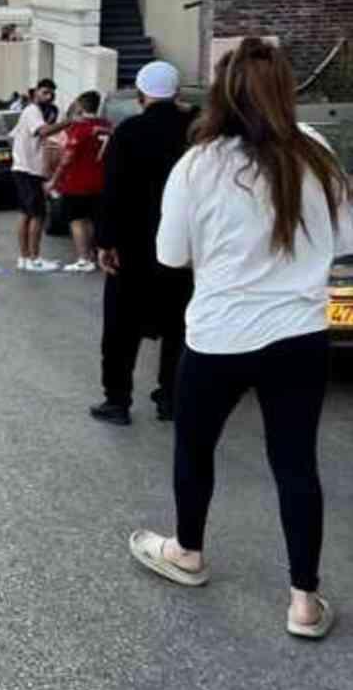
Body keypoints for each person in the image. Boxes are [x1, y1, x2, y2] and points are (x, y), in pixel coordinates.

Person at [130, 38, 353, 639]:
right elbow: (346, 239)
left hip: (218, 336)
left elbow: (168, 254)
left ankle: (188, 552)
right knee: (295, 465)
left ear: (223, 93)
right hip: (300, 336)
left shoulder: (198, 165)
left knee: (195, 450)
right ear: (286, 90)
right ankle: (304, 601)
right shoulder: (319, 153)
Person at [91, 61, 193, 425]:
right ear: (177, 93)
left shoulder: (129, 132)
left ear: (140, 95)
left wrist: (105, 242)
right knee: (179, 326)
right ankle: (172, 397)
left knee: (121, 328)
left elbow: (113, 190)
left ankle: (117, 401)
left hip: (132, 246)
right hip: (184, 247)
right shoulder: (195, 132)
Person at [47, 90, 111, 273]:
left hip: (78, 182)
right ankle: (92, 254)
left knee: (76, 220)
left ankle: (84, 258)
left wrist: (54, 180)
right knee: (91, 219)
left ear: (81, 106)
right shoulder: (106, 125)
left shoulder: (80, 129)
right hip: (101, 181)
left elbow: (67, 158)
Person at [11, 77, 62, 271]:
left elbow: (14, 135)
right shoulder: (32, 111)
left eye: (51, 93)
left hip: (28, 168)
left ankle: (24, 258)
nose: (48, 97)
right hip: (27, 170)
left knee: (26, 214)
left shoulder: (39, 112)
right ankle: (34, 258)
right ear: (35, 93)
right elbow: (43, 132)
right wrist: (69, 122)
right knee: (37, 215)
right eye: (44, 92)